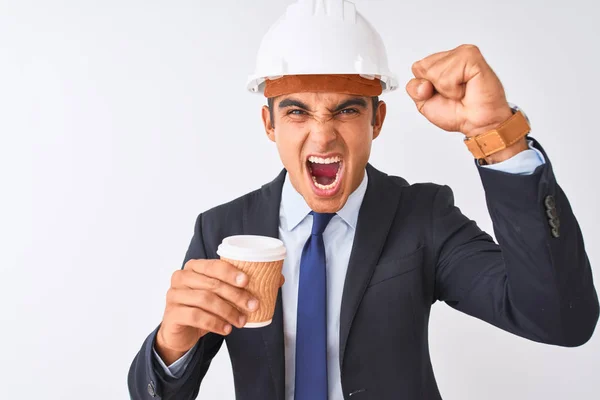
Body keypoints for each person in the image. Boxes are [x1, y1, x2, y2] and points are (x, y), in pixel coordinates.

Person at [128, 1, 599, 399]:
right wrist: (172, 345)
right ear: (269, 125)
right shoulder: (222, 230)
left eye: (347, 109)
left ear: (377, 120)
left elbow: (559, 319)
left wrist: (498, 137)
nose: (323, 134)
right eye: (296, 112)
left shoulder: (423, 218)